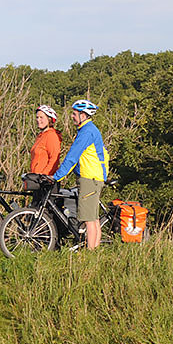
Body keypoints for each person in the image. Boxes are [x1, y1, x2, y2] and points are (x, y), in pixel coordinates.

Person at [48, 99, 109, 249]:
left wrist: (56, 177)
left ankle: (90, 253)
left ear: (83, 115)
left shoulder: (87, 132)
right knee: (93, 219)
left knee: (89, 219)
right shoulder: (89, 130)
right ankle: (93, 252)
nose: (72, 117)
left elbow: (72, 158)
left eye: (75, 114)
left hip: (89, 178)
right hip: (94, 177)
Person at [30, 105, 61, 175]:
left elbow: (54, 159)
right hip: (35, 178)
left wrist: (44, 175)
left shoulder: (51, 136)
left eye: (41, 117)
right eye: (37, 117)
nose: (38, 120)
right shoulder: (40, 136)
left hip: (44, 181)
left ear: (49, 119)